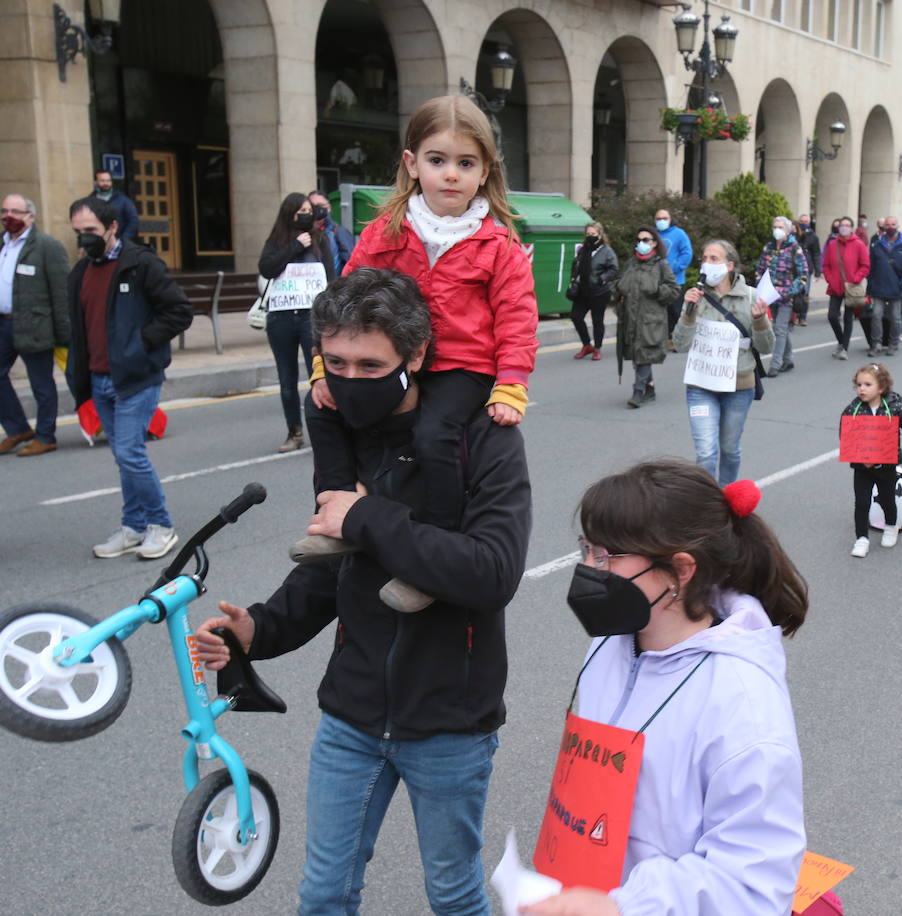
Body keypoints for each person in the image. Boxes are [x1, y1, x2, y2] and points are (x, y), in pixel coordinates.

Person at [194, 268, 532, 916]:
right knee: (324, 894)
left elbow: (492, 572)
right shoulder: (343, 435)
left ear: (416, 356)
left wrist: (366, 516)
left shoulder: (482, 438)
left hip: (449, 723)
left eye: (369, 364)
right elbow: (333, 567)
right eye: (336, 361)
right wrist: (259, 630)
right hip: (350, 716)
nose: (348, 380)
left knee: (454, 894)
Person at [525, 459, 806, 916]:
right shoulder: (612, 640)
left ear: (680, 570)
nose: (588, 567)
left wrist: (624, 907)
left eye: (606, 555)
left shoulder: (744, 705)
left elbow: (752, 886)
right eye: (586, 548)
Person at [299, 93, 538, 614]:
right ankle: (335, 513)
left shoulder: (498, 245)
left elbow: (518, 318)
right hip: (401, 360)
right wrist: (324, 365)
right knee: (322, 409)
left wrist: (512, 381)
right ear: (412, 164)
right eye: (438, 160)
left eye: (465, 163)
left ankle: (432, 554)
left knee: (434, 435)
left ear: (484, 173)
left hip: (462, 369)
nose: (450, 174)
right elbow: (343, 299)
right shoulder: (383, 232)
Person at [66, 195, 191, 559]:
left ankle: (161, 524)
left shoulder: (140, 265)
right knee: (124, 457)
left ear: (112, 227)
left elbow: (179, 311)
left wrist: (140, 344)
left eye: (90, 231)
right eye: (78, 232)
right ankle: (134, 526)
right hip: (100, 378)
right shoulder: (80, 273)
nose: (84, 239)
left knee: (130, 452)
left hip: (136, 375)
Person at [675, 240, 773, 483]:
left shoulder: (751, 296)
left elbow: (767, 346)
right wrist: (688, 312)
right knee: (706, 453)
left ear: (730, 265)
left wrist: (760, 321)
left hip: (738, 387)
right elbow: (679, 344)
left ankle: (728, 496)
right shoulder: (696, 296)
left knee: (729, 449)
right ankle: (710, 506)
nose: (707, 263)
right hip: (701, 387)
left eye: (714, 258)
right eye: (704, 258)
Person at [259, 192, 337, 452]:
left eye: (308, 210)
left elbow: (329, 277)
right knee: (287, 380)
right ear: (289, 214)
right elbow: (267, 268)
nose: (306, 214)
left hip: (310, 317)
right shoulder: (277, 241)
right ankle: (294, 431)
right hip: (281, 318)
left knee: (319, 373)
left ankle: (326, 428)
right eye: (300, 211)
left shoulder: (320, 240)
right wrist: (294, 246)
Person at [842, 362, 902, 557]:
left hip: (885, 467)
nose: (862, 389)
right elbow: (845, 434)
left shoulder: (893, 408)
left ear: (882, 388)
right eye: (859, 384)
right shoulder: (853, 409)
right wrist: (858, 455)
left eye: (868, 385)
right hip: (862, 468)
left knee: (887, 499)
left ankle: (891, 527)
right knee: (861, 502)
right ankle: (861, 538)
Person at [0, 194, 69, 457]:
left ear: (31, 216)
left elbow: (61, 292)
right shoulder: (2, 244)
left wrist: (64, 334)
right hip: (4, 324)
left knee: (41, 383)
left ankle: (45, 436)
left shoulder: (47, 246)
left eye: (16, 211)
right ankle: (17, 428)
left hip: (36, 324)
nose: (9, 216)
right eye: (5, 210)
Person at [615, 226, 679, 407]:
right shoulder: (631, 263)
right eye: (639, 240)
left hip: (651, 320)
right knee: (638, 355)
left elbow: (674, 290)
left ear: (654, 243)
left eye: (646, 240)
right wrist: (617, 288)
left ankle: (638, 391)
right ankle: (649, 388)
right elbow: (619, 284)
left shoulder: (661, 265)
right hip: (630, 317)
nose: (641, 244)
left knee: (644, 353)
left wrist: (658, 290)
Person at [755, 216, 808, 375]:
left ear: (788, 230)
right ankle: (788, 359)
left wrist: (787, 291)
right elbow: (760, 268)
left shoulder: (794, 248)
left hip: (786, 297)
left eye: (780, 227)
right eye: (775, 227)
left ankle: (775, 364)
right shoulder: (768, 248)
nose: (777, 230)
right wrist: (760, 285)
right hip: (769, 295)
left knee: (779, 329)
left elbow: (803, 275)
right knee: (781, 329)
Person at [821, 216, 870, 359]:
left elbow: (865, 265)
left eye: (847, 225)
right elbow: (826, 265)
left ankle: (844, 349)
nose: (844, 227)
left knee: (848, 318)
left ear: (852, 228)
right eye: (842, 225)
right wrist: (830, 278)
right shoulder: (832, 244)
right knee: (832, 316)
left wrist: (856, 278)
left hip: (851, 287)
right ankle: (841, 341)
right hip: (835, 287)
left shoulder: (859, 244)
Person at [568, 221, 618, 361]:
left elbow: (614, 268)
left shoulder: (607, 251)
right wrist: (573, 279)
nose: (590, 236)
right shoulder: (583, 249)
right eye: (588, 234)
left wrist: (601, 278)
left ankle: (597, 348)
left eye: (593, 234)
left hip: (599, 292)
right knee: (576, 317)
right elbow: (575, 265)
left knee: (597, 321)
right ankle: (586, 345)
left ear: (600, 235)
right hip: (582, 291)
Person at [866, 217, 902, 355]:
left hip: (897, 288)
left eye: (893, 224)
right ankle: (876, 344)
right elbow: (872, 267)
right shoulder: (877, 244)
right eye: (887, 225)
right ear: (883, 227)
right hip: (879, 286)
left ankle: (893, 343)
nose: (890, 227)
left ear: (898, 226)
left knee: (895, 317)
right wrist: (870, 286)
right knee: (876, 315)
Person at [655, 208, 693, 338]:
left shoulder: (679, 234)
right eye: (658, 219)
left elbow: (687, 254)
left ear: (670, 220)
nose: (661, 221)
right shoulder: (654, 235)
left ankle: (679, 338)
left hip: (676, 281)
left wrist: (673, 268)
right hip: (657, 281)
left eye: (664, 218)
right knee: (661, 312)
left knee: (675, 311)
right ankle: (666, 338)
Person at [308, 190, 356, 273]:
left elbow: (351, 262)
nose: (317, 210)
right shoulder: (302, 233)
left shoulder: (338, 231)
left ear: (329, 208)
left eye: (321, 205)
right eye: (312, 206)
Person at [92, 169, 139, 243]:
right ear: (95, 182)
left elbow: (133, 220)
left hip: (119, 243)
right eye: (102, 180)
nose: (106, 183)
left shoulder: (123, 200)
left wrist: (124, 238)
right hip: (97, 243)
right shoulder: (90, 200)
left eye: (108, 180)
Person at [794, 213, 821, 325]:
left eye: (805, 222)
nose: (803, 224)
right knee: (795, 292)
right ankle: (794, 315)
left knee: (805, 293)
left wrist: (817, 270)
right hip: (795, 268)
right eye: (801, 221)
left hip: (807, 268)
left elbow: (816, 254)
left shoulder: (813, 236)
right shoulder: (795, 235)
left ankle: (802, 317)